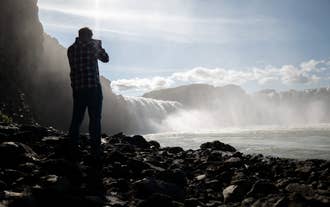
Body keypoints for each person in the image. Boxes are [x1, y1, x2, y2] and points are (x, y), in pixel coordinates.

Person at [67, 27, 109, 158]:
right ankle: (95, 150)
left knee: (77, 119)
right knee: (95, 118)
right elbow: (106, 59)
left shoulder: (71, 49)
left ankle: (72, 146)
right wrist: (99, 46)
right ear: (89, 36)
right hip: (93, 88)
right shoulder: (92, 47)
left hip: (78, 88)